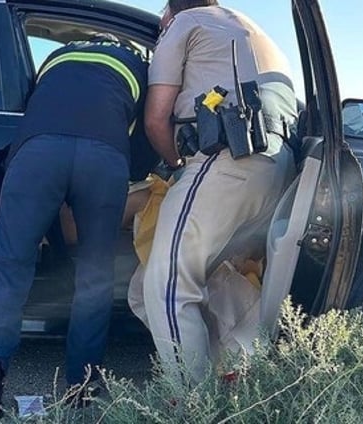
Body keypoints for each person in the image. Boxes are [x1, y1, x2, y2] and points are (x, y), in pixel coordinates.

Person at [0, 33, 155, 422]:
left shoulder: (59, 55)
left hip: (38, 152)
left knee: (10, 264)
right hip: (105, 158)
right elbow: (148, 132)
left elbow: (32, 104)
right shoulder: (138, 65)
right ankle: (83, 385)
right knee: (95, 274)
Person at [136, 0, 298, 383]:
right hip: (277, 169)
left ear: (170, 12)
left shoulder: (184, 24)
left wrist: (176, 166)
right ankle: (242, 372)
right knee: (170, 282)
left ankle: (193, 406)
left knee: (166, 285)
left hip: (223, 161)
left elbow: (156, 120)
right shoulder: (253, 30)